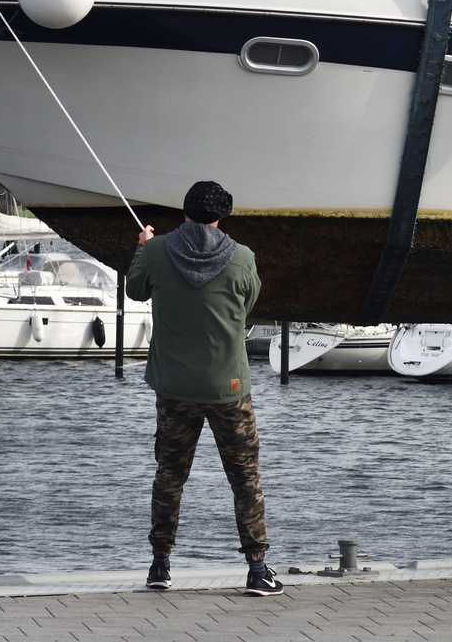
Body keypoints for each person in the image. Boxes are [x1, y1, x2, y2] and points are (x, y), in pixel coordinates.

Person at [126, 179, 283, 596]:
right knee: (245, 478)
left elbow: (134, 289)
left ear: (184, 213)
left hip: (174, 388)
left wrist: (143, 245)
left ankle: (160, 566)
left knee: (170, 476)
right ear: (221, 217)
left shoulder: (157, 252)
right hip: (228, 388)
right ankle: (258, 570)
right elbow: (246, 306)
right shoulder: (243, 257)